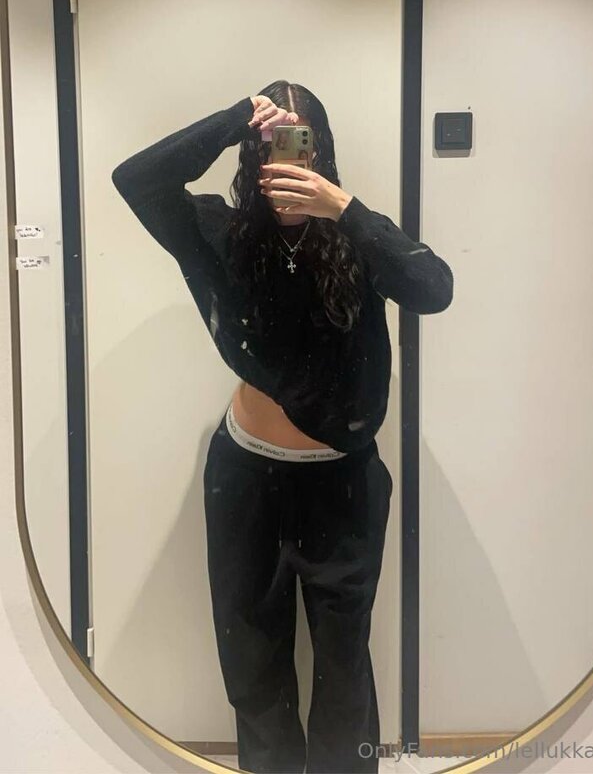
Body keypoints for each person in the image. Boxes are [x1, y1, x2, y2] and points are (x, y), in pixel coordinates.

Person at [111, 79, 453, 774]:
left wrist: (344, 208)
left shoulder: (356, 236)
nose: (286, 158)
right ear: (251, 153)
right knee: (252, 661)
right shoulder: (220, 232)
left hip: (343, 486)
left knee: (343, 667)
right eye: (270, 143)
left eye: (301, 142)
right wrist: (234, 118)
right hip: (245, 480)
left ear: (321, 152)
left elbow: (434, 289)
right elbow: (136, 179)